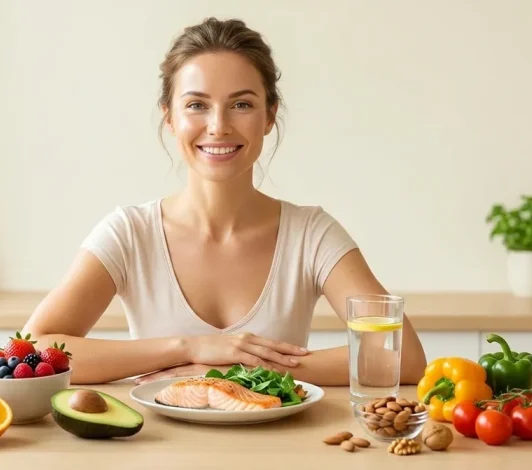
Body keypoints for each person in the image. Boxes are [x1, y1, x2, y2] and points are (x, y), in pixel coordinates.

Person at [22, 17, 427, 386]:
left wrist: (239, 367)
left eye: (242, 104)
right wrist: (188, 348)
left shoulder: (311, 234)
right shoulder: (130, 233)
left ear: (269, 116)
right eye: (197, 105)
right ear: (170, 117)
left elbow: (402, 356)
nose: (218, 126)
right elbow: (36, 348)